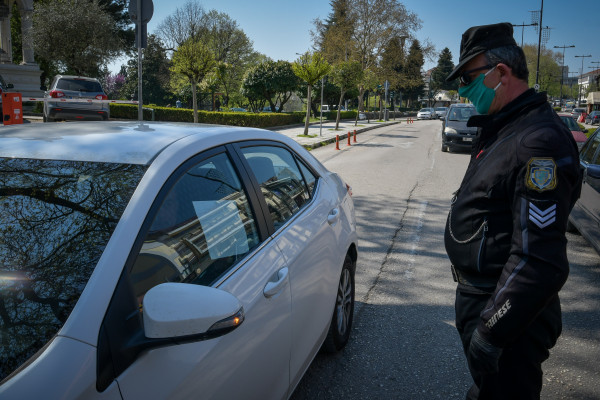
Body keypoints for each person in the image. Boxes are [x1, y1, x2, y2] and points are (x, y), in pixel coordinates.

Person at [444, 22, 582, 399]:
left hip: (507, 317)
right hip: (487, 301)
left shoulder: (539, 141)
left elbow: (538, 260)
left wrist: (491, 331)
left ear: (499, 73)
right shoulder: (507, 127)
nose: (462, 90)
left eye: (468, 78)